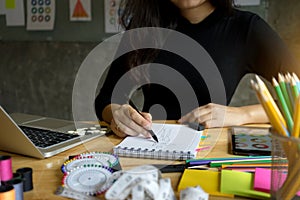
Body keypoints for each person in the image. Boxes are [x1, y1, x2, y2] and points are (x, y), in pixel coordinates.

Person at [95, 0, 299, 138]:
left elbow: (297, 97)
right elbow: (107, 97)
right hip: (149, 148)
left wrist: (243, 115)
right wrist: (116, 114)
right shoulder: (144, 28)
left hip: (210, 153)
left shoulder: (246, 28)